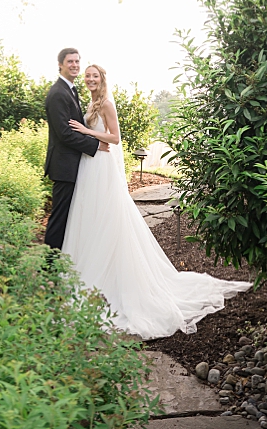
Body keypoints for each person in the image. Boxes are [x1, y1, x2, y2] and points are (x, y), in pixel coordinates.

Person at [62, 63, 250, 338]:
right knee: (90, 218)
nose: (90, 79)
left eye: (95, 76)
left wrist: (87, 132)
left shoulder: (107, 104)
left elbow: (114, 138)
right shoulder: (90, 103)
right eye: (87, 76)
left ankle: (111, 280)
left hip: (102, 166)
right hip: (90, 165)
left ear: (102, 79)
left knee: (108, 219)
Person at [43, 46, 101, 249]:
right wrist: (96, 145)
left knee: (69, 217)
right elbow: (64, 133)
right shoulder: (58, 93)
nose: (75, 65)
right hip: (64, 166)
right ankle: (49, 267)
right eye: (70, 62)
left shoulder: (69, 90)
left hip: (71, 164)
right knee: (60, 217)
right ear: (60, 65)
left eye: (77, 61)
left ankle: (62, 261)